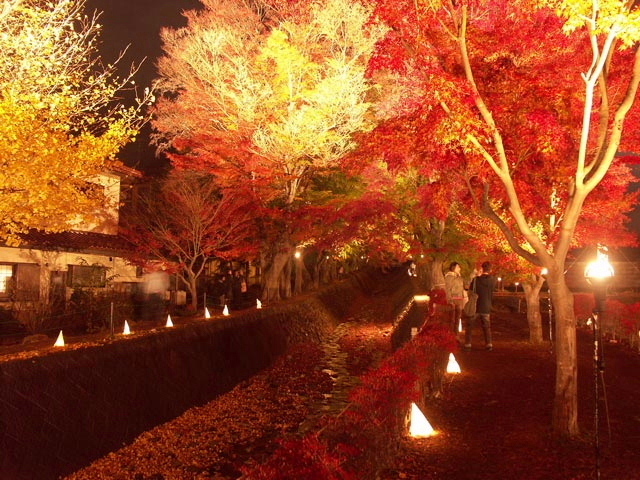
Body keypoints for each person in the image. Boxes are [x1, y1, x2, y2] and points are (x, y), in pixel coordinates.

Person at [465, 261, 497, 351]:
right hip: (486, 305)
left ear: (482, 268)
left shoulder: (476, 280)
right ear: (490, 269)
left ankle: (468, 344)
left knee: (470, 325)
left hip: (475, 306)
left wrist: (477, 275)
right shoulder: (493, 280)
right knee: (487, 326)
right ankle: (489, 344)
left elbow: (470, 289)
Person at [444, 261, 466, 334]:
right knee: (452, 319)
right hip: (453, 299)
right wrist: (449, 300)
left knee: (458, 318)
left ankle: (456, 334)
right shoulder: (449, 276)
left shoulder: (459, 276)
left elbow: (462, 287)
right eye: (458, 267)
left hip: (459, 299)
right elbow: (447, 289)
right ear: (454, 268)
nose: (459, 268)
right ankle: (450, 335)